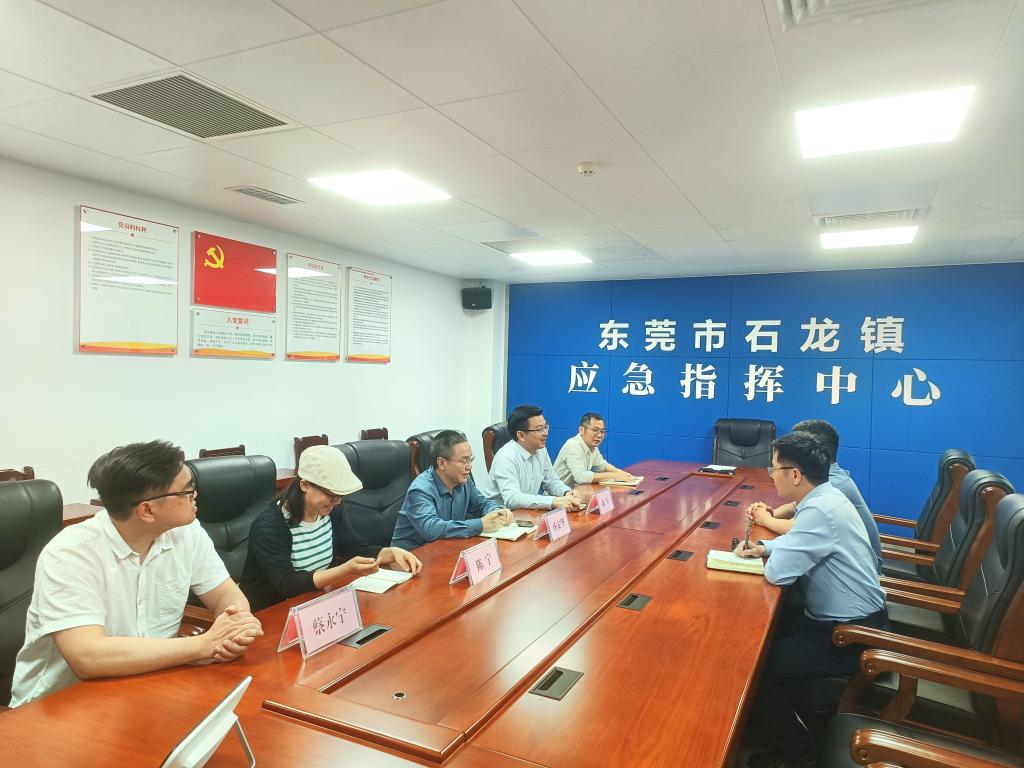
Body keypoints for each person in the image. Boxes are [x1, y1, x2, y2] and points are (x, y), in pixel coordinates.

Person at [9, 441, 264, 708]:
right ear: (147, 510)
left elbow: (226, 595)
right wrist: (206, 644)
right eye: (187, 490)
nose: (195, 495)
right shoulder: (71, 553)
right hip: (58, 706)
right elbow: (88, 657)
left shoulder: (185, 532)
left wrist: (235, 629)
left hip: (148, 685)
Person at [734, 432, 887, 768]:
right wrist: (765, 547)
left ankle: (800, 756)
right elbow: (804, 543)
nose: (771, 475)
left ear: (794, 475)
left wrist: (771, 554)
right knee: (764, 639)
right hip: (841, 622)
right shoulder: (825, 497)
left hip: (850, 636)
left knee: (755, 669)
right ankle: (778, 737)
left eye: (773, 468)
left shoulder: (819, 511)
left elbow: (778, 574)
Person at [240, 445, 421, 612]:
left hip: (314, 603)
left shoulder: (330, 510)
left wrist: (390, 553)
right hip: (271, 613)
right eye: (332, 495)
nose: (338, 502)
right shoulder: (269, 526)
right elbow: (287, 584)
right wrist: (345, 570)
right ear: (304, 485)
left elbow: (352, 546)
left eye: (340, 496)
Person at [746, 419, 882, 571]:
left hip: (861, 567)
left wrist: (766, 520)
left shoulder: (833, 486)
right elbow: (794, 510)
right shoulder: (824, 483)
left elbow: (796, 530)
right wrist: (770, 514)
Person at [391, 430, 513, 550]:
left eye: (470, 460)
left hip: (446, 548)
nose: (469, 466)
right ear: (442, 463)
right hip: (412, 556)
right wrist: (480, 524)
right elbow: (431, 529)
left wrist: (498, 513)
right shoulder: (421, 490)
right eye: (463, 461)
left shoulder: (464, 482)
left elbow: (482, 504)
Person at [489, 404, 583, 511]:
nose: (545, 433)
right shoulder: (506, 457)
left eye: (545, 427)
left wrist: (566, 492)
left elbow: (551, 481)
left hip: (528, 513)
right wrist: (552, 501)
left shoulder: (541, 450)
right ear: (521, 435)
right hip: (503, 515)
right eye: (539, 429)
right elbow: (512, 499)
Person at [552, 412, 638, 487]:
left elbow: (603, 466)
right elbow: (581, 477)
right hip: (557, 496)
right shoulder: (573, 445)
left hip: (574, 493)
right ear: (581, 430)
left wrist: (623, 474)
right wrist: (614, 476)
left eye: (602, 431)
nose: (599, 435)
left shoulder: (592, 446)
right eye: (595, 430)